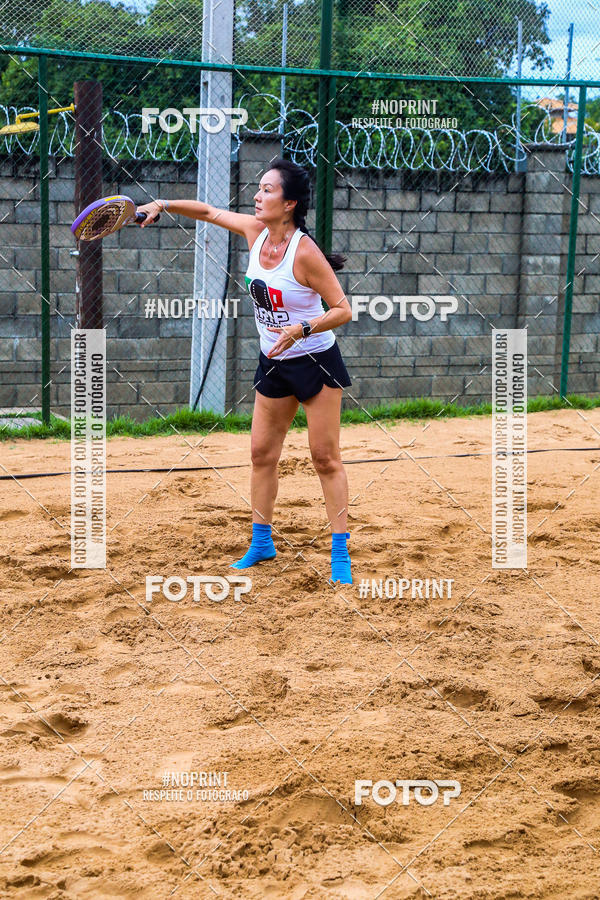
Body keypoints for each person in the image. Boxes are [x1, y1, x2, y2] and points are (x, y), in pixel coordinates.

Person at [137, 157, 354, 584]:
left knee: (324, 459)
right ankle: (261, 542)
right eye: (259, 188)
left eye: (268, 190)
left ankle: (340, 554)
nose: (257, 196)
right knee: (261, 455)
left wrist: (302, 328)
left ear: (289, 203)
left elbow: (344, 309)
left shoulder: (305, 252)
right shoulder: (256, 233)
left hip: (314, 361)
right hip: (273, 360)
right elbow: (209, 212)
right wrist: (162, 203)